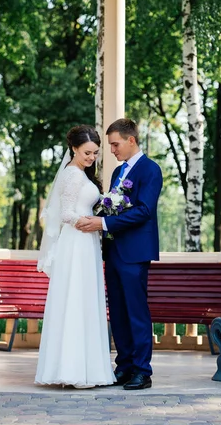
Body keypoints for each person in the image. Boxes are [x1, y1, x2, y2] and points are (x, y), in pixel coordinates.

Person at [76, 118, 163, 390]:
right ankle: (124, 366)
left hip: (135, 252)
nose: (111, 150)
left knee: (136, 312)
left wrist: (101, 224)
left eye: (115, 144)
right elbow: (113, 207)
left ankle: (142, 370)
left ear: (131, 140)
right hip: (113, 250)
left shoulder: (150, 170)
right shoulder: (117, 173)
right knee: (118, 312)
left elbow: (143, 210)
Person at [35, 125, 115, 388]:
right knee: (75, 300)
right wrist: (91, 221)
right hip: (77, 240)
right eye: (87, 153)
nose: (92, 157)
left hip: (87, 240)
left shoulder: (82, 174)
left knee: (85, 301)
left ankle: (87, 369)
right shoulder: (71, 175)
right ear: (73, 149)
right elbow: (65, 213)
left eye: (95, 153)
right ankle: (72, 369)